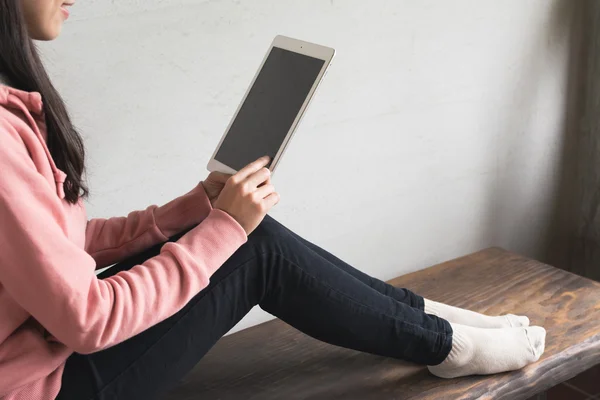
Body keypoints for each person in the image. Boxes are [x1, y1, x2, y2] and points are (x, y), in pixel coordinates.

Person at [0, 1, 547, 399]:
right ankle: (443, 342)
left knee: (248, 235)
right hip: (46, 384)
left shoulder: (12, 111)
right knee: (251, 247)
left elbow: (57, 246)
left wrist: (190, 211)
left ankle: (436, 325)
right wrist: (222, 231)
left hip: (45, 355)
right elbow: (88, 321)